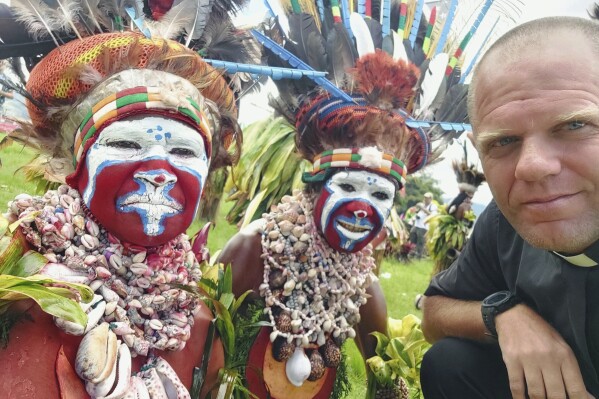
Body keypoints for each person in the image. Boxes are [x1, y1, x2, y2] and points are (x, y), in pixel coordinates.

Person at [0, 1, 257, 397]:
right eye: (125, 143)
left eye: (186, 153)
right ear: (77, 168)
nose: (159, 171)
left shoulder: (197, 317)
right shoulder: (17, 287)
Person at [420, 16, 599, 399]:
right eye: (503, 142)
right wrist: (500, 314)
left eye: (573, 126)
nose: (531, 166)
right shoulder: (503, 224)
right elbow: (434, 312)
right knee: (450, 362)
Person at [409, 192, 437, 258]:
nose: (425, 199)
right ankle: (412, 252)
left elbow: (432, 215)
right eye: (425, 197)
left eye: (427, 198)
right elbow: (416, 212)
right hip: (417, 224)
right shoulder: (422, 204)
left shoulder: (433, 206)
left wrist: (423, 209)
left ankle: (418, 256)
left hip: (424, 227)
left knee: (420, 241)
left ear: (430, 199)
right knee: (412, 235)